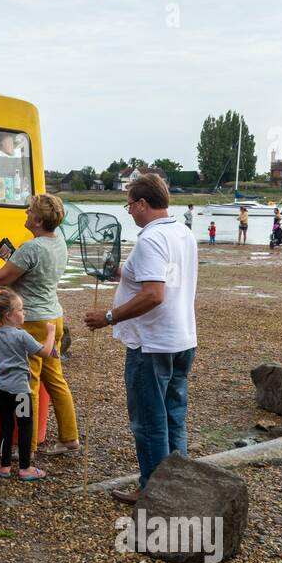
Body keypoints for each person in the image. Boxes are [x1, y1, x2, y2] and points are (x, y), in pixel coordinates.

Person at [84, 173, 198, 503]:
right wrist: (120, 273)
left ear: (143, 203)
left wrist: (109, 317)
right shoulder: (183, 233)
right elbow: (161, 276)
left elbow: (154, 294)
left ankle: (152, 490)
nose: (129, 212)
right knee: (174, 415)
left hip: (151, 344)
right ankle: (178, 484)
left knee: (149, 422)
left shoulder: (150, 239)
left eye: (130, 205)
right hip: (183, 339)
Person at [0, 193, 81, 455]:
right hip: (54, 318)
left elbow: (0, 278)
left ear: (37, 220)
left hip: (32, 321)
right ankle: (69, 437)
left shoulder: (32, 248)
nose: (26, 212)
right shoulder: (58, 242)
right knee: (56, 380)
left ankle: (28, 446)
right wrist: (13, 258)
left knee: (29, 385)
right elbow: (28, 273)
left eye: (29, 211)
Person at [0, 289, 57, 481]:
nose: (24, 312)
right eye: (21, 309)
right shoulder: (21, 336)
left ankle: (4, 467)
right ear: (9, 315)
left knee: (6, 426)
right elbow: (45, 352)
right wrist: (51, 333)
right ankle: (25, 468)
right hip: (20, 391)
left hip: (0, 389)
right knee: (25, 426)